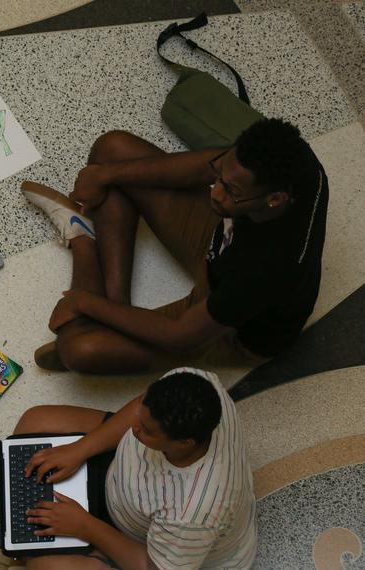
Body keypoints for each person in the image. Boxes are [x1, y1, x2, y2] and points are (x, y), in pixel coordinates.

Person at [21, 119, 328, 374]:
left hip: (227, 326)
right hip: (219, 245)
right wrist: (105, 173)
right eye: (220, 176)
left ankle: (84, 243)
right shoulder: (295, 162)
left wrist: (83, 303)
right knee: (112, 150)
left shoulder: (266, 269)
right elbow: (204, 169)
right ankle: (116, 307)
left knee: (79, 350)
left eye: (231, 190)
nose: (215, 194)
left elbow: (181, 336)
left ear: (274, 199)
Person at [16, 368, 255, 569]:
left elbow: (153, 566)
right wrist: (79, 449)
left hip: (152, 546)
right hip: (124, 478)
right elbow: (140, 414)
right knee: (34, 421)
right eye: (141, 409)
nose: (133, 425)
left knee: (43, 564)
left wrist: (85, 526)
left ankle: (96, 555)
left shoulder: (192, 516)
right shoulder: (194, 381)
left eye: (146, 430)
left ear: (184, 443)